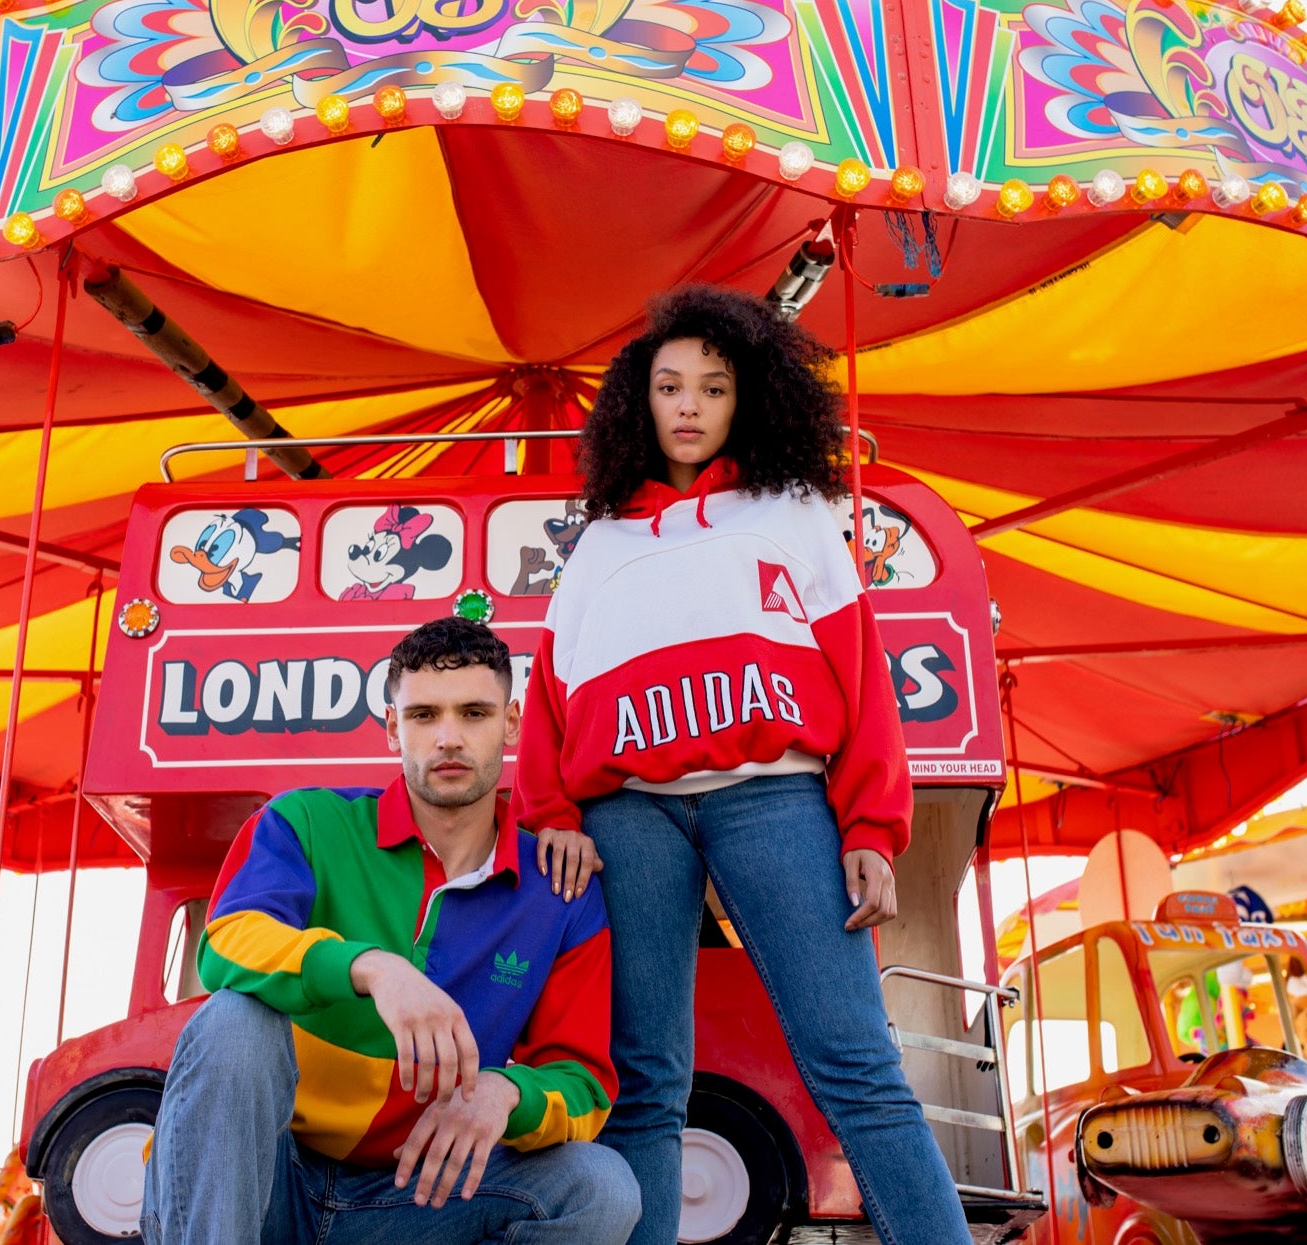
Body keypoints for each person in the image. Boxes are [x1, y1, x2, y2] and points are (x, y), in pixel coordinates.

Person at [516, 284, 972, 1245]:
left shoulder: (796, 512)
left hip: (774, 798)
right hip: (630, 815)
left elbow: (861, 680)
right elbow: (551, 700)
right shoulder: (598, 542)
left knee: (854, 1060)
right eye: (669, 385)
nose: (687, 406)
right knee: (644, 1079)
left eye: (712, 388)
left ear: (746, 398)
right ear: (640, 400)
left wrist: (873, 828)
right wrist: (552, 813)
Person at [143, 617, 640, 1245]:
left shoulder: (559, 894)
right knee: (234, 1022)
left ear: (511, 723)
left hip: (416, 1197)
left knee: (601, 1188)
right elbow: (225, 945)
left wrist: (504, 1092)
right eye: (425, 715)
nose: (450, 738)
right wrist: (374, 968)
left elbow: (587, 1085)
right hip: (263, 1181)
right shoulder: (306, 821)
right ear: (391, 727)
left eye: (476, 713)